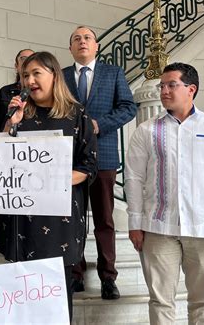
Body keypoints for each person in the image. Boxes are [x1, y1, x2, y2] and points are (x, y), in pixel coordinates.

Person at [124, 62, 204, 324]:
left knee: (203, 302)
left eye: (171, 85)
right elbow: (133, 178)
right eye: (162, 86)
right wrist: (135, 223)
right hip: (158, 229)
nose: (164, 91)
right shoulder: (146, 130)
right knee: (160, 301)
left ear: (191, 89)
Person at [0, 51, 98, 320]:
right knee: (23, 294)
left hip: (58, 218)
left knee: (55, 295)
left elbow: (88, 166)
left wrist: (53, 179)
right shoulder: (18, 115)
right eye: (25, 75)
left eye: (36, 73)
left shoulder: (76, 114)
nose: (29, 80)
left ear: (54, 76)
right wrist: (11, 123)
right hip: (21, 217)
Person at [62, 26, 137, 299]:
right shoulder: (60, 77)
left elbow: (129, 107)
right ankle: (75, 274)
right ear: (70, 48)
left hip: (103, 156)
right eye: (76, 39)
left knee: (105, 220)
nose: (82, 42)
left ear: (96, 46)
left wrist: (98, 124)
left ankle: (108, 277)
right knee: (71, 219)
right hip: (67, 160)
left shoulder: (113, 73)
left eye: (88, 38)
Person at [0, 48, 35, 132]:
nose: (28, 62)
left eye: (33, 58)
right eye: (24, 58)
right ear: (16, 66)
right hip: (7, 137)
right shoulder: (5, 91)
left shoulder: (38, 91)